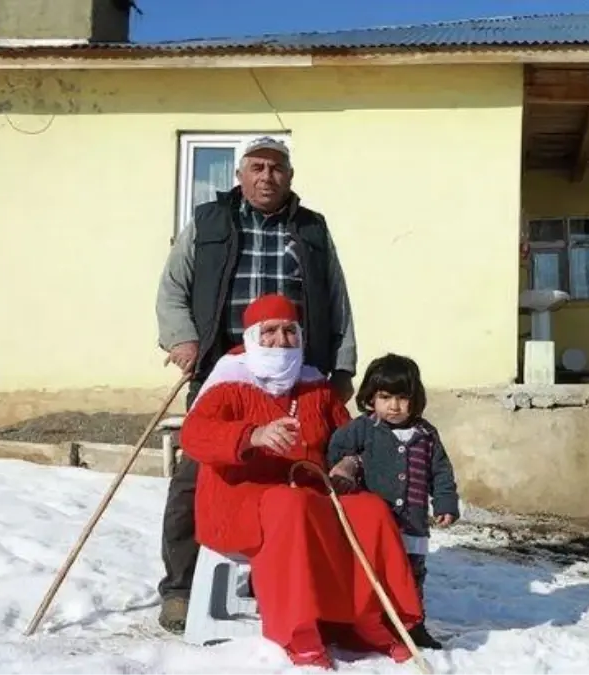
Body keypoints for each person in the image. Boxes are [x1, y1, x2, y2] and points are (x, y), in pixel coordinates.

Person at [154, 136, 358, 633]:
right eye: (258, 167)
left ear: (290, 176)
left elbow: (337, 298)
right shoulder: (207, 222)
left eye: (278, 168)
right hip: (224, 364)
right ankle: (180, 588)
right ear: (240, 174)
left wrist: (343, 366)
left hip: (294, 366)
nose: (268, 176)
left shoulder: (312, 229)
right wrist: (182, 340)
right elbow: (172, 288)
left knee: (295, 468)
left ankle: (286, 576)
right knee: (196, 474)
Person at [179, 294, 422, 669]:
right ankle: (298, 629)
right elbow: (194, 436)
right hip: (238, 500)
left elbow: (351, 437)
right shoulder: (229, 380)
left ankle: (370, 619)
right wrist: (252, 436)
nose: (281, 340)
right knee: (289, 505)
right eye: (270, 331)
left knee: (368, 510)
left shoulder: (315, 386)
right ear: (253, 337)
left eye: (290, 331)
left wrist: (348, 464)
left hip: (310, 490)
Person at [328, 353, 461, 650]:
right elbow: (336, 450)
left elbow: (441, 471)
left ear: (415, 399)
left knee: (412, 576)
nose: (394, 406)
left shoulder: (426, 434)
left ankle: (414, 624)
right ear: (371, 398)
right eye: (385, 397)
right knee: (374, 573)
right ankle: (370, 621)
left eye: (402, 397)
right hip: (376, 523)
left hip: (412, 522)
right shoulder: (364, 428)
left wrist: (445, 503)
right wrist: (348, 468)